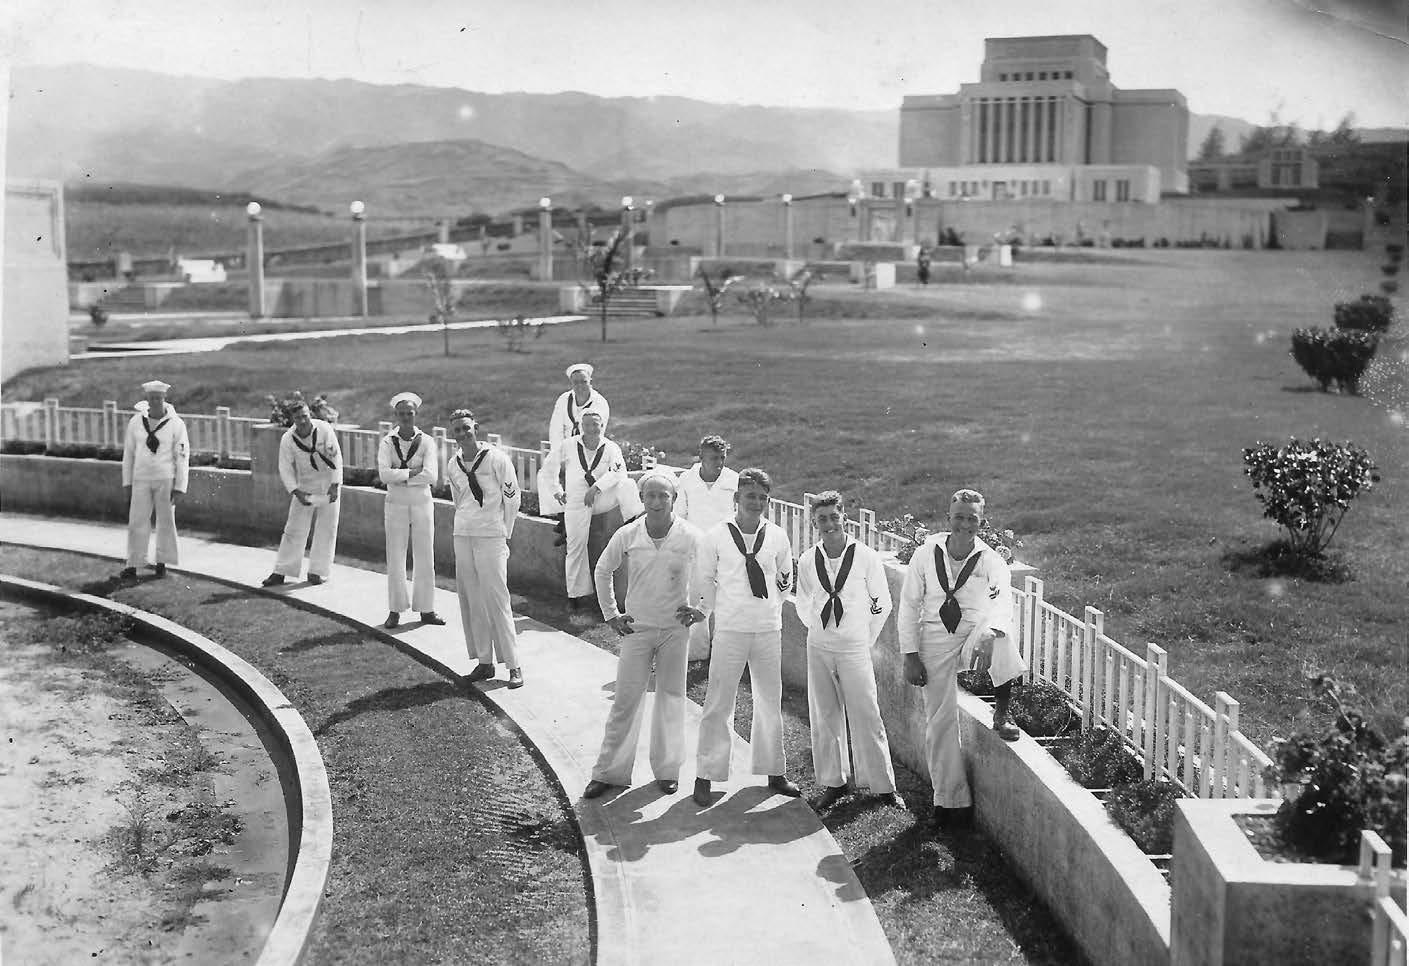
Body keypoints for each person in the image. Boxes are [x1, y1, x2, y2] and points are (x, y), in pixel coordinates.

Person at [898, 489, 1025, 831]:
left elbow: (1002, 604)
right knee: (939, 720)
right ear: (948, 518)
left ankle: (1002, 712)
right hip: (935, 637)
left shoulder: (991, 561)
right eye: (959, 517)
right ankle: (950, 801)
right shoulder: (926, 554)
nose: (965, 524)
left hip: (973, 633)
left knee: (1003, 637)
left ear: (981, 521)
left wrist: (989, 632)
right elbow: (909, 605)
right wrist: (910, 655)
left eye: (972, 518)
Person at [583, 472, 706, 799]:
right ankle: (609, 772)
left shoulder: (691, 536)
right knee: (625, 700)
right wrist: (610, 613)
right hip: (636, 629)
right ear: (642, 499)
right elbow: (602, 569)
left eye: (662, 496)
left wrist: (701, 609)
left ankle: (667, 771)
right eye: (650, 496)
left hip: (674, 631)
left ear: (673, 499)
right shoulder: (629, 533)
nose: (656, 502)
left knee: (670, 699)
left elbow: (711, 573)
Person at [692, 467, 800, 807]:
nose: (756, 502)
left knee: (769, 700)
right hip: (730, 628)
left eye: (762, 498)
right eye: (750, 495)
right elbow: (704, 580)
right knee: (719, 700)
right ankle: (706, 773)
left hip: (767, 629)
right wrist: (705, 612)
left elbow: (784, 581)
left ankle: (774, 770)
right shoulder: (716, 536)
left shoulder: (778, 536)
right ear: (736, 498)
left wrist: (764, 610)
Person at [795, 491, 903, 810]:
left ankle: (883, 787)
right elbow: (803, 604)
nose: (828, 524)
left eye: (833, 516)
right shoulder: (807, 560)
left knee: (866, 713)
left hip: (855, 645)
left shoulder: (865, 556)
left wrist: (861, 637)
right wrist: (821, 629)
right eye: (821, 519)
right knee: (825, 714)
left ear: (844, 517)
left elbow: (881, 604)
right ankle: (834, 782)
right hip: (819, 645)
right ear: (814, 523)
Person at [446, 409, 524, 689]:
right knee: (472, 598)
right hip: (463, 533)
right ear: (452, 434)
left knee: (497, 598)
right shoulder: (453, 464)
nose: (463, 434)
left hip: (491, 535)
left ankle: (514, 665)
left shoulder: (496, 459)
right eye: (457, 430)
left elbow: (512, 499)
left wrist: (505, 533)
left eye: (467, 428)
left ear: (475, 428)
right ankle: (484, 661)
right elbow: (459, 500)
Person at [540, 409, 627, 622]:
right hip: (577, 500)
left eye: (596, 425)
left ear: (602, 426)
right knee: (577, 545)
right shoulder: (569, 445)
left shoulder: (610, 447)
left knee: (628, 486)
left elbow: (617, 471)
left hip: (602, 496)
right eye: (587, 424)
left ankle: (634, 517)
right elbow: (548, 468)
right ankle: (575, 595)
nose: (592, 428)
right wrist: (557, 491)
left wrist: (596, 488)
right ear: (581, 426)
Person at [376, 391, 444, 629]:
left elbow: (432, 475)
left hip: (422, 502)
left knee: (425, 555)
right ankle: (395, 609)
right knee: (395, 554)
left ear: (416, 414)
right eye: (401, 414)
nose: (406, 417)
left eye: (410, 413)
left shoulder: (426, 441)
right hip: (396, 503)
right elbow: (383, 474)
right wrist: (410, 474)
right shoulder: (387, 442)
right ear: (396, 415)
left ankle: (427, 609)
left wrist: (400, 476)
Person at [261, 401, 342, 587]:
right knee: (294, 528)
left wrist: (335, 485)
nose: (303, 420)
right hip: (305, 484)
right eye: (298, 417)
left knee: (327, 528)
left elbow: (336, 457)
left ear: (309, 413)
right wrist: (296, 491)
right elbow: (285, 468)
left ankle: (317, 572)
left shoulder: (324, 429)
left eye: (305, 415)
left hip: (329, 481)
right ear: (293, 419)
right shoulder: (288, 439)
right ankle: (281, 571)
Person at [674, 434, 739, 661]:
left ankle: (724, 653)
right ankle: (697, 652)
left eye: (722, 458)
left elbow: (738, 518)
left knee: (725, 602)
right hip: (695, 549)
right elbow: (679, 515)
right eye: (714, 458)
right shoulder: (686, 479)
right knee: (696, 600)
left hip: (726, 549)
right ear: (701, 456)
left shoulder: (734, 480)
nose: (719, 463)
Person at [119, 380, 189, 579]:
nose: (155, 401)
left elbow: (182, 456)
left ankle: (162, 562)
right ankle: (133, 564)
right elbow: (129, 454)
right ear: (147, 400)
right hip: (141, 478)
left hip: (165, 479)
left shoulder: (176, 424)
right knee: (137, 521)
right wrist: (127, 483)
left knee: (165, 522)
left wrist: (180, 486)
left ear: (164, 399)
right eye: (152, 398)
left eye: (158, 398)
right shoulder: (136, 422)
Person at [545, 363, 610, 546]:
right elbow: (556, 428)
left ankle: (567, 528)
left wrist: (583, 452)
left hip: (587, 450)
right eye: (576, 382)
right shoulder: (564, 400)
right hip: (567, 447)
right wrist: (559, 453)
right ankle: (563, 519)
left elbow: (597, 430)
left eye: (584, 381)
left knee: (579, 483)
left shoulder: (599, 402)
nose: (580, 386)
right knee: (553, 476)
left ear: (590, 381)